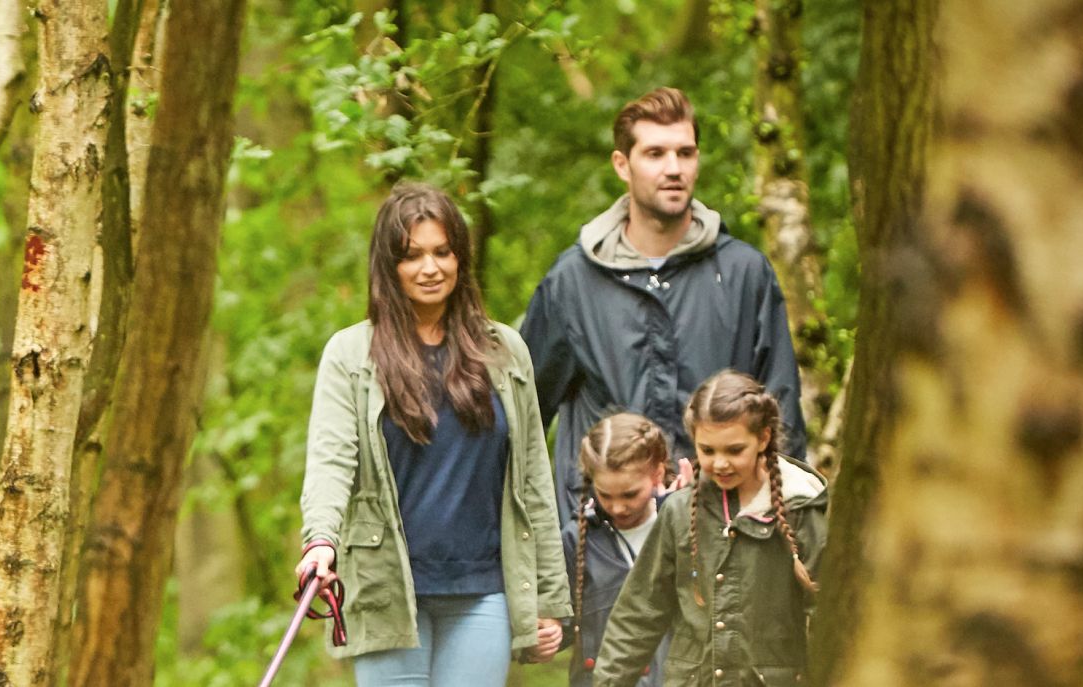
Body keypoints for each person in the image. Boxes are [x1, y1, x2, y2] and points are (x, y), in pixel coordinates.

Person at [294, 183, 570, 685]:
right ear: (388, 266)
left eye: (442, 252)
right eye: (413, 255)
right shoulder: (351, 356)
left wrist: (549, 599)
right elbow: (331, 464)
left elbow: (533, 482)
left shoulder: (504, 352)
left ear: (460, 258)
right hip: (387, 592)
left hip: (483, 590)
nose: (430, 268)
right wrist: (320, 543)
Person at [519, 87, 811, 527]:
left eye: (685, 153)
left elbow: (781, 410)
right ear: (623, 164)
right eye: (655, 153)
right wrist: (540, 529)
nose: (673, 168)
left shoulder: (743, 274)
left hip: (725, 528)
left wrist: (784, 525)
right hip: (601, 538)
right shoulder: (573, 282)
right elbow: (523, 417)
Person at [593, 370, 827, 686]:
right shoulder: (679, 510)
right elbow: (639, 613)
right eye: (707, 450)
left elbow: (834, 613)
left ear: (763, 438)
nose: (719, 463)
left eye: (734, 450)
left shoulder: (801, 506)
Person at [566, 413, 672, 687]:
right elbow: (564, 621)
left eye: (629, 494)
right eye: (605, 495)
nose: (617, 507)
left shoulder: (680, 527)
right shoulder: (577, 538)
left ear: (658, 472)